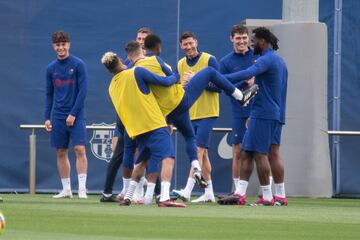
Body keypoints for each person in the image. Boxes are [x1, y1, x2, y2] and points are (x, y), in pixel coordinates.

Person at [102, 51, 186, 207]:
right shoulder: (136, 71)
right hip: (154, 124)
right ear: (121, 60)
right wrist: (176, 77)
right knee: (168, 157)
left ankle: (128, 195)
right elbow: (165, 82)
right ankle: (164, 197)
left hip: (136, 131)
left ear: (109, 71)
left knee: (142, 162)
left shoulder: (111, 87)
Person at [218, 27, 286, 206]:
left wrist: (220, 78)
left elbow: (247, 73)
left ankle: (268, 198)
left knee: (260, 153)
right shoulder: (278, 61)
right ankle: (240, 193)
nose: (251, 43)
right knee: (247, 151)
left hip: (263, 113)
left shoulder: (266, 59)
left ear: (263, 41)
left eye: (253, 40)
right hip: (264, 112)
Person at [172, 31, 221, 203]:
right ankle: (209, 193)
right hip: (190, 114)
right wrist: (183, 85)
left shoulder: (209, 59)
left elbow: (219, 86)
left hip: (208, 112)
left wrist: (197, 80)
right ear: (181, 46)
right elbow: (178, 91)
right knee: (204, 154)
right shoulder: (180, 64)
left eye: (191, 43)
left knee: (197, 151)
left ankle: (187, 190)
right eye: (185, 44)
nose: (189, 47)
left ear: (196, 42)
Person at [44, 31, 88, 199]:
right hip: (58, 116)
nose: (60, 47)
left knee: (79, 149)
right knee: (61, 151)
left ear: (69, 44)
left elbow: (83, 91)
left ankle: (82, 189)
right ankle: (66, 189)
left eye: (63, 44)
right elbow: (49, 94)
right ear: (53, 46)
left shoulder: (78, 64)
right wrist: (47, 117)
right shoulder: (50, 68)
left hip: (76, 115)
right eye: (57, 44)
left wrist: (73, 114)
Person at [219, 24, 256, 197]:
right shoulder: (225, 62)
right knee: (238, 150)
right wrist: (244, 83)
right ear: (231, 39)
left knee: (264, 151)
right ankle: (237, 191)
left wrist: (255, 82)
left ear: (248, 38)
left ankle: (270, 193)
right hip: (239, 112)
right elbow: (223, 86)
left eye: (244, 37)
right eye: (238, 38)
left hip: (259, 110)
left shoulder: (258, 55)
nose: (241, 41)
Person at [100, 117, 125, 202]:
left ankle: (155, 193)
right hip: (125, 122)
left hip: (141, 122)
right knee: (116, 156)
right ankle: (107, 193)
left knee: (144, 156)